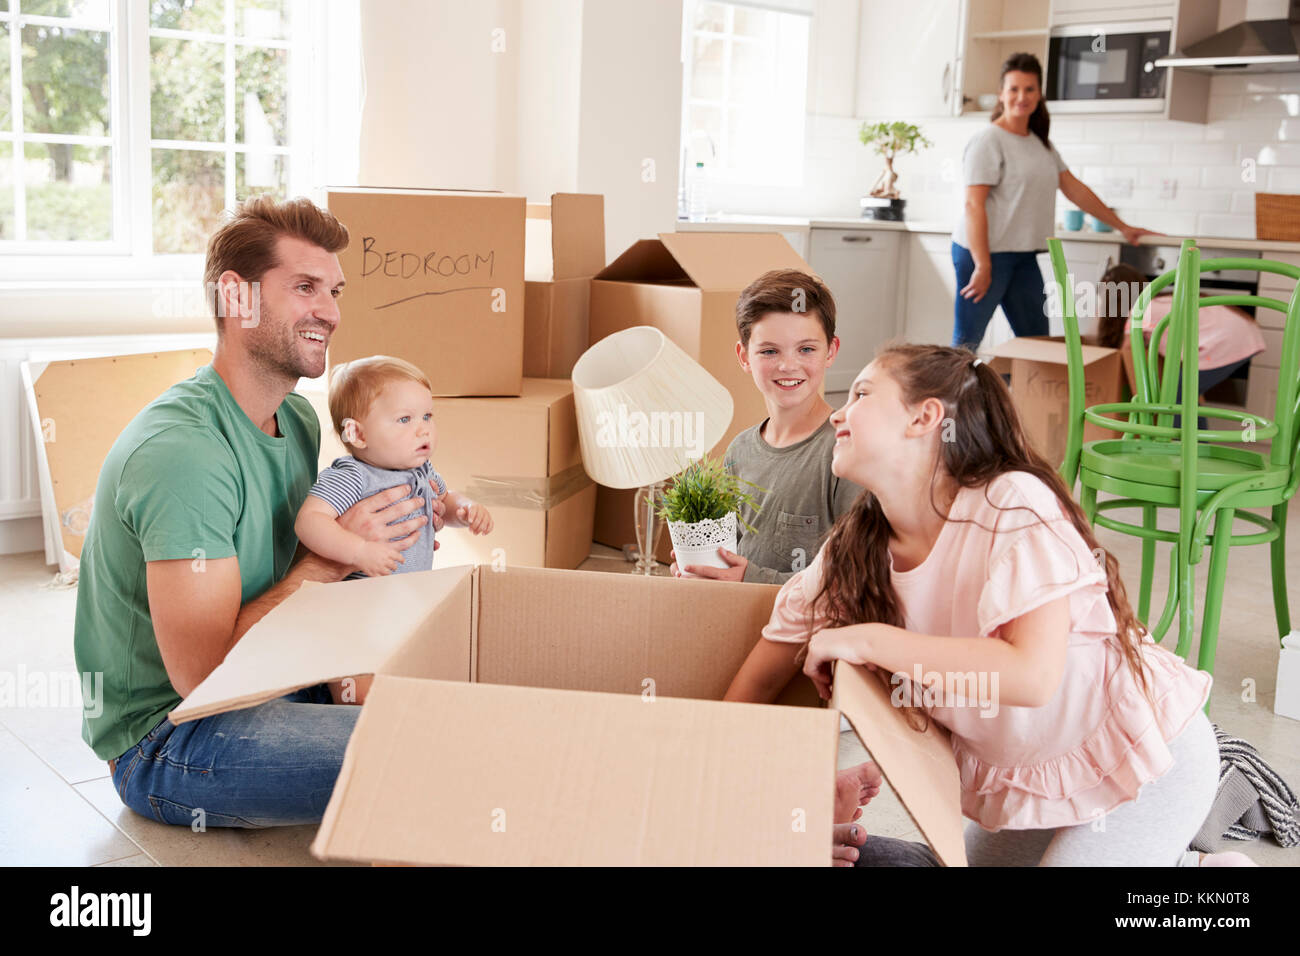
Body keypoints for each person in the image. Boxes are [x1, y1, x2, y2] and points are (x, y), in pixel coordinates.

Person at [766, 343, 1249, 865]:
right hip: (1039, 779)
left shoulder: (1012, 502)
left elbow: (1030, 677)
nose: (837, 410)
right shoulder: (854, 547)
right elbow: (765, 667)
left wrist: (866, 639)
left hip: (1149, 760)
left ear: (925, 417)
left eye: (860, 393)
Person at [73, 196, 442, 828]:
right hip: (175, 736)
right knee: (424, 753)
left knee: (467, 707)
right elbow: (204, 679)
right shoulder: (183, 454)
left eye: (334, 291)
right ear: (236, 297)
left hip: (276, 670)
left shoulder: (295, 419)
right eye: (305, 287)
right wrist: (331, 557)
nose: (329, 311)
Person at [951, 52, 1159, 352]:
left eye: (1030, 89)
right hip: (983, 254)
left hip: (1021, 256)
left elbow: (1075, 190)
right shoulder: (988, 141)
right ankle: (945, 398)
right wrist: (983, 265)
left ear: (1039, 94)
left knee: (1037, 341)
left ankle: (1024, 396)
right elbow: (973, 206)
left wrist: (1123, 227)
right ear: (1001, 94)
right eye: (1014, 89)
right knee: (967, 342)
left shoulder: (1041, 144)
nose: (1021, 96)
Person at [670, 269, 863, 583]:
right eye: (769, 351)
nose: (788, 365)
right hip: (735, 616)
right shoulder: (740, 450)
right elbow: (729, 551)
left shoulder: (847, 450)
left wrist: (750, 579)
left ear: (831, 351)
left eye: (806, 349)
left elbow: (853, 578)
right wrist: (699, 563)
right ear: (744, 357)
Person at [296, 354, 493, 579]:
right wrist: (358, 551)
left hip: (408, 593)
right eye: (404, 419)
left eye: (427, 416)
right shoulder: (354, 477)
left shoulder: (422, 470)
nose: (424, 430)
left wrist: (465, 510)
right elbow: (309, 521)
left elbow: (445, 501)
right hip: (360, 600)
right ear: (357, 434)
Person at [1097, 262, 1266, 428]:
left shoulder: (1140, 310)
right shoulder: (1161, 301)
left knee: (1176, 396)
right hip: (1243, 333)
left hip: (1229, 341)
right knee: (1187, 395)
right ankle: (1197, 447)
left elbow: (1127, 349)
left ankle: (1180, 448)